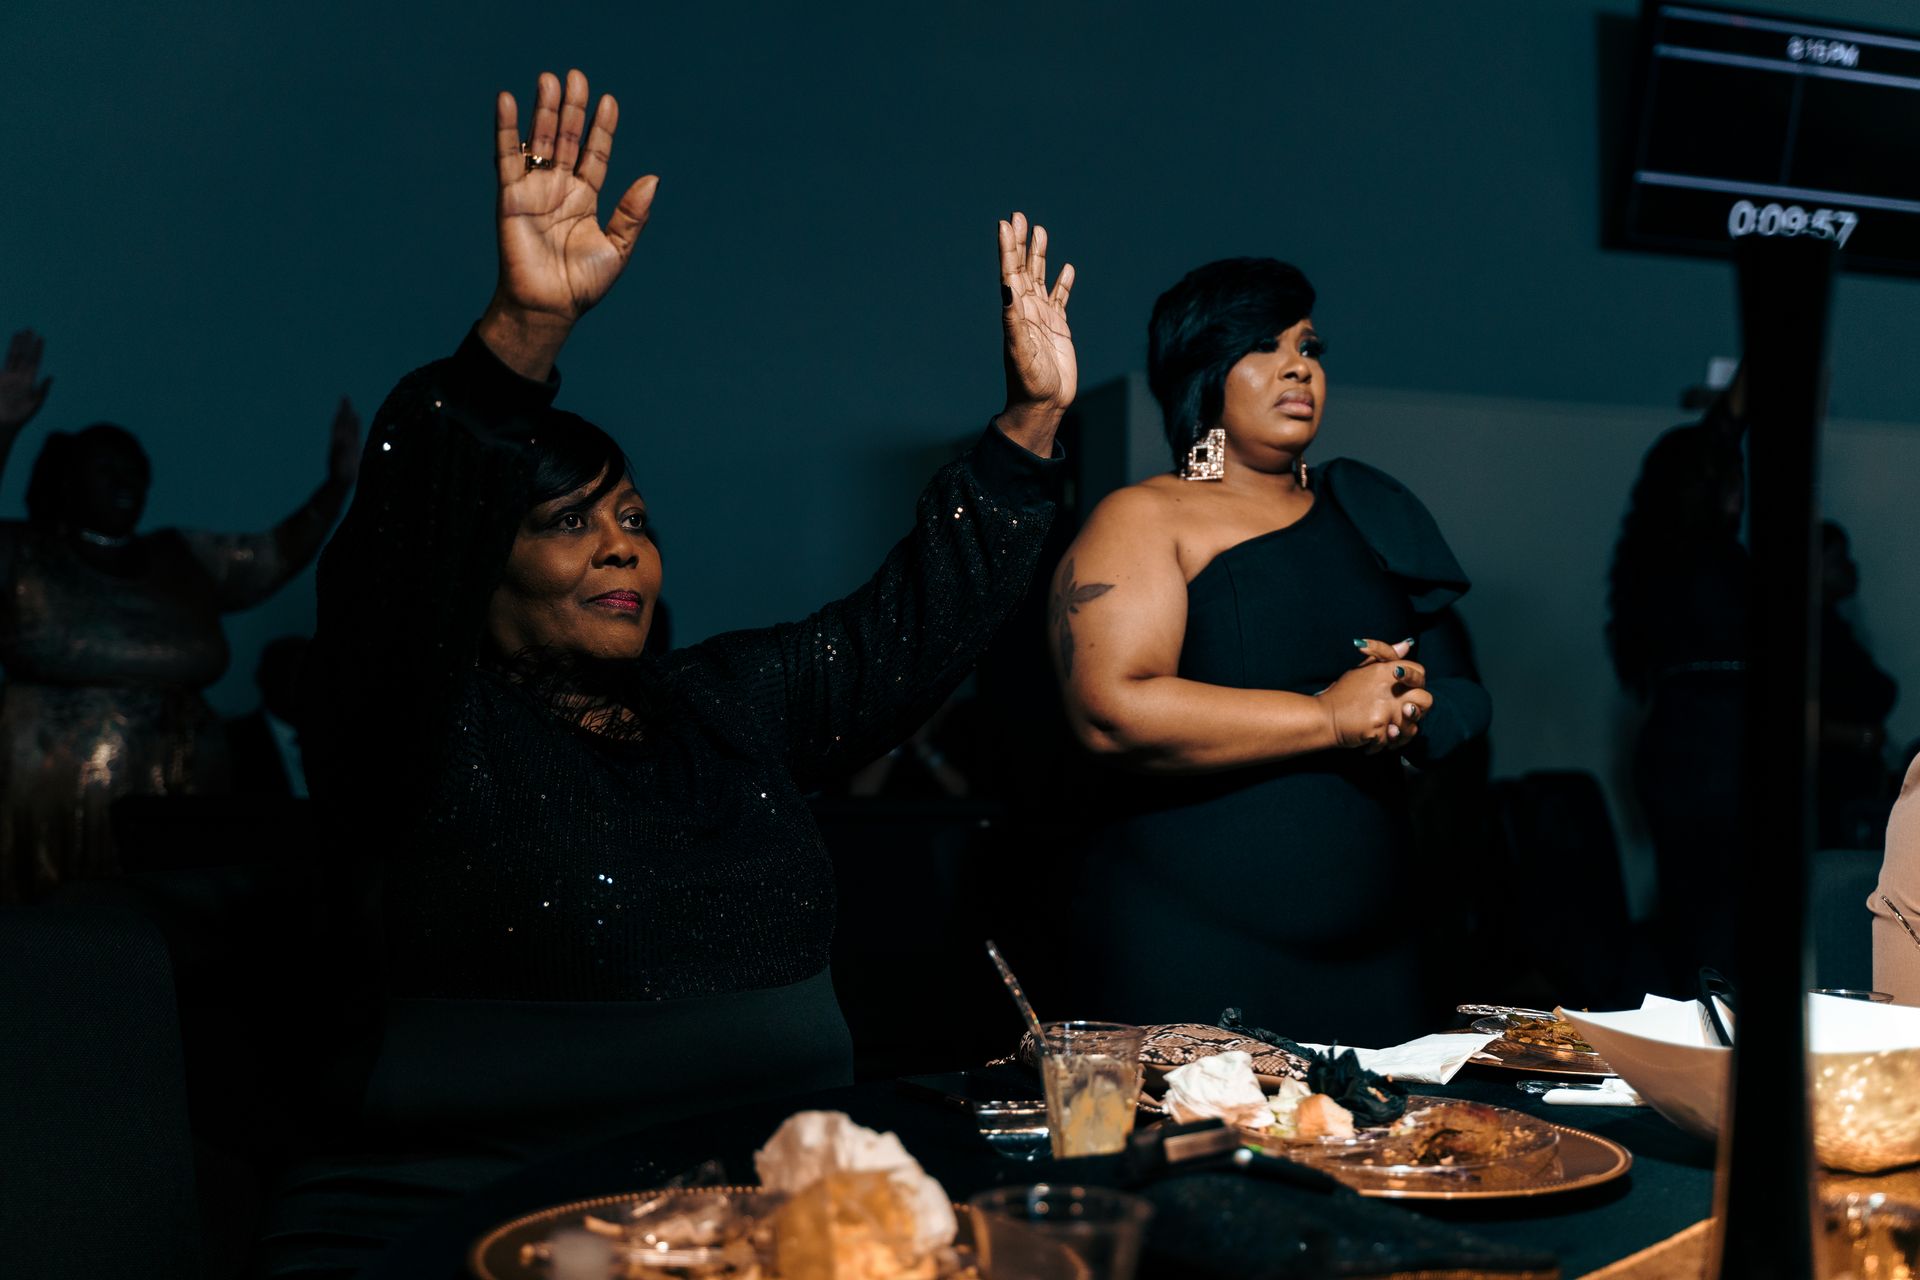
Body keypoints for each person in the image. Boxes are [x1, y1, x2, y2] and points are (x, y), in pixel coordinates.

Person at [275, 68, 1072, 1274]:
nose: (621, 543)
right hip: (477, 1226)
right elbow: (395, 550)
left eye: (635, 515)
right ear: (475, 566)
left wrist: (1026, 432)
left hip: (755, 1219)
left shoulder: (723, 706)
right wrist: (524, 331)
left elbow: (907, 630)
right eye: (566, 521)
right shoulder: (419, 724)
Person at [1047, 258, 1490, 1046]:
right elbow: (1112, 711)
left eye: (1310, 347)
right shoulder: (1148, 516)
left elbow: (1463, 689)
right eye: (1263, 344)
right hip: (1194, 941)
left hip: (1378, 953)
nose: (1299, 366)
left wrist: (1413, 705)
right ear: (1204, 370)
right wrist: (1328, 717)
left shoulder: (1367, 508)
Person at [0, 330, 357, 902]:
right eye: (107, 469)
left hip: (184, 792)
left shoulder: (182, 555)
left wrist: (337, 487)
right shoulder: (24, 551)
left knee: (174, 951)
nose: (127, 482)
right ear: (68, 479)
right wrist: (3, 429)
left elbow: (272, 555)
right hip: (52, 798)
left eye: (136, 469)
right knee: (66, 943)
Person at [1606, 400, 1748, 989]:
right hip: (1715, 747)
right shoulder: (1715, 561)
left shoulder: (1649, 557)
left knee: (1694, 914)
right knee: (1720, 923)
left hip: (1675, 740)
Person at [1817, 521, 1897, 848]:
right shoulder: (1817, 636)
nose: (1851, 567)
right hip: (1833, 792)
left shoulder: (1834, 630)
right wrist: (1855, 736)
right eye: (1838, 560)